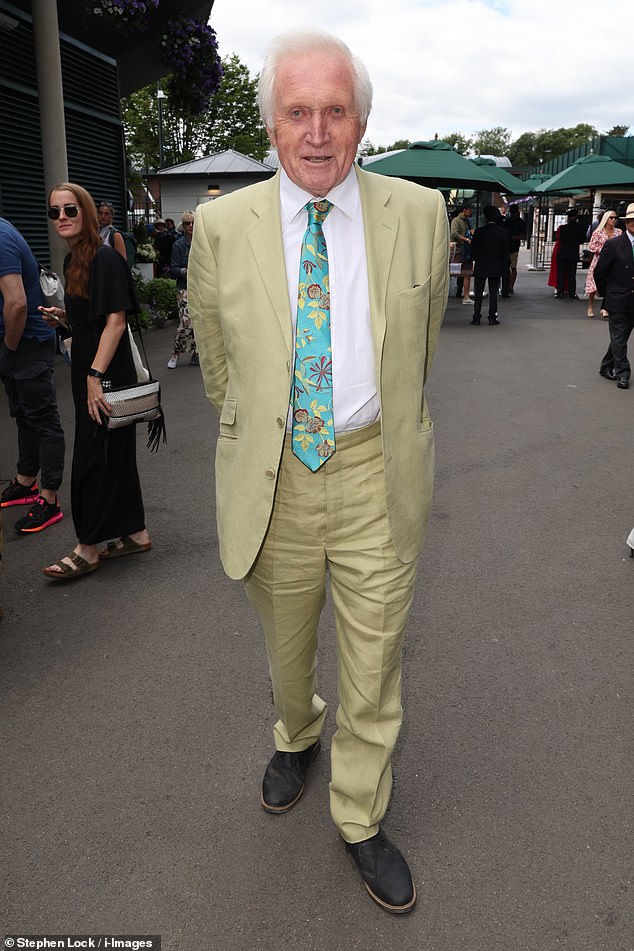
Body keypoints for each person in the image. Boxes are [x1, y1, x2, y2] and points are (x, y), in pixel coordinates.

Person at [188, 28, 449, 914]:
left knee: (375, 666)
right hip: (277, 479)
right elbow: (217, 364)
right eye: (297, 111)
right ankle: (296, 730)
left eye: (335, 110)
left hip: (377, 472)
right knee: (287, 646)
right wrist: (270, 431)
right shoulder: (220, 225)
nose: (316, 131)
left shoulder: (418, 215)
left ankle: (360, 814)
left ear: (362, 121)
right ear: (272, 123)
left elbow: (421, 347)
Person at [40, 183, 151, 581]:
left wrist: (94, 377)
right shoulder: (75, 262)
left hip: (101, 373)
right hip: (92, 368)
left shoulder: (104, 259)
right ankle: (135, 533)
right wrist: (64, 318)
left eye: (70, 209)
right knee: (115, 453)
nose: (62, 218)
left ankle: (87, 547)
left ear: (86, 212)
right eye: (54, 212)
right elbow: (94, 320)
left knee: (90, 458)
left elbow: (116, 323)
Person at [0, 217, 65, 533]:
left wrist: (9, 349)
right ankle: (26, 481)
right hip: (17, 343)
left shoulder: (0, 236)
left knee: (43, 421)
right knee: (23, 415)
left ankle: (49, 499)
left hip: (26, 342)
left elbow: (17, 304)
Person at [595, 202, 634, 390]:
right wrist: (608, 295)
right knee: (619, 339)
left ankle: (605, 366)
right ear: (626, 223)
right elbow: (600, 272)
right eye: (631, 221)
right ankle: (623, 374)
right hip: (618, 299)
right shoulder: (614, 244)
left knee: (620, 339)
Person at [469, 206, 510, 325]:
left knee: (478, 292)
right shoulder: (502, 232)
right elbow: (506, 251)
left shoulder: (479, 232)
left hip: (481, 265)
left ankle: (476, 317)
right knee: (493, 292)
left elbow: (473, 250)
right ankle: (492, 317)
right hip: (496, 266)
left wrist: (476, 258)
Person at [167, 211, 198, 368]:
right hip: (184, 287)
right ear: (183, 226)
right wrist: (185, 271)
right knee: (186, 320)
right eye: (187, 223)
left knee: (199, 321)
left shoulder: (202, 242)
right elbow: (172, 270)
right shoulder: (178, 244)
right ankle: (176, 352)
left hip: (201, 287)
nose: (191, 226)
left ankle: (195, 352)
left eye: (193, 222)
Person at [584, 210, 622, 318]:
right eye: (611, 218)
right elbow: (591, 246)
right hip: (599, 261)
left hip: (614, 262)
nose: (613, 220)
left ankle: (605, 307)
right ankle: (590, 306)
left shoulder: (618, 232)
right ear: (606, 219)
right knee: (593, 285)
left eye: (615, 218)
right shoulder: (598, 232)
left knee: (610, 284)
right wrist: (604, 250)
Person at [555, 209, 585, 299]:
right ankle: (572, 292)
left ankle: (560, 292)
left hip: (562, 253)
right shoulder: (580, 228)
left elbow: (559, 239)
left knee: (561, 274)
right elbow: (582, 240)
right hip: (573, 254)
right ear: (576, 217)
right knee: (572, 275)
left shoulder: (563, 228)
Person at [500, 204, 526, 297]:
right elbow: (523, 236)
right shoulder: (516, 222)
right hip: (512, 248)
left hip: (510, 248)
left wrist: (511, 237)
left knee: (510, 268)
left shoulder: (508, 222)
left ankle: (509, 287)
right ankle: (509, 287)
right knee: (512, 268)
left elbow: (523, 236)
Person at [450, 204, 473, 303]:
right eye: (470, 210)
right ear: (464, 210)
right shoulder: (456, 220)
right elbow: (454, 233)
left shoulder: (467, 221)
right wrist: (466, 239)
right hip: (458, 251)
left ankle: (465, 295)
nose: (471, 212)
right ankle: (455, 292)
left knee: (467, 272)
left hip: (466, 251)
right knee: (454, 273)